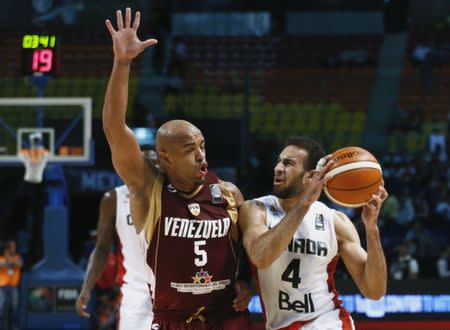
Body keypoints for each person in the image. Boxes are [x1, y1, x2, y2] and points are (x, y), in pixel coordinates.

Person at [102, 7, 252, 329]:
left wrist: (245, 280)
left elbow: (247, 250)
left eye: (202, 146)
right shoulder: (148, 190)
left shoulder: (228, 193)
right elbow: (115, 130)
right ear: (166, 158)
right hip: (172, 320)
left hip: (226, 318)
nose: (200, 155)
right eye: (189, 149)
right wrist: (122, 63)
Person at [239, 136, 388, 330]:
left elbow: (374, 291)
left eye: (288, 163)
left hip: (327, 321)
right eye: (279, 161)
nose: (277, 168)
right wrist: (305, 202)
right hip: (279, 325)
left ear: (310, 176)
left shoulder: (335, 222)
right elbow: (262, 257)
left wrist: (371, 229)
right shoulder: (256, 210)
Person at [75, 184, 153, 330]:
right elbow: (101, 248)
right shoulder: (114, 198)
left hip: (172, 295)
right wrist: (86, 288)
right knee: (104, 321)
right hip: (133, 297)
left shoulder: (175, 192)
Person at [0, 240, 23, 330]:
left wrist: (10, 259)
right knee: (3, 310)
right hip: (2, 288)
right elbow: (4, 264)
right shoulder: (1, 259)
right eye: (11, 247)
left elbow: (20, 264)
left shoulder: (18, 257)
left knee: (14, 309)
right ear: (7, 248)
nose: (13, 249)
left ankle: (14, 328)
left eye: (14, 247)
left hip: (14, 287)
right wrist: (8, 258)